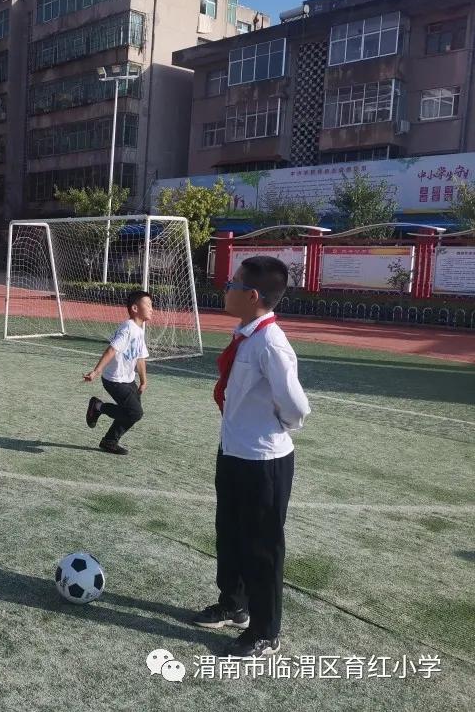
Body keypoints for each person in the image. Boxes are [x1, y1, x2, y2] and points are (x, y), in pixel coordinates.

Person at [191, 256, 311, 659]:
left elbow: (296, 406)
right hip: (233, 452)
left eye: (233, 284)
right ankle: (234, 604)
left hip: (264, 461)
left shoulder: (271, 343)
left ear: (253, 296)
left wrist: (274, 427)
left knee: (262, 547)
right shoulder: (246, 334)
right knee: (230, 533)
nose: (226, 289)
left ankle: (265, 631)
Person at [83, 290, 152, 455]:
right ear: (135, 308)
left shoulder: (139, 330)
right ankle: (98, 406)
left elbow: (140, 358)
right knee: (135, 412)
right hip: (114, 380)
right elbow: (112, 350)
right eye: (148, 305)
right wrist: (96, 371)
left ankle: (109, 441)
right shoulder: (128, 328)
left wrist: (143, 381)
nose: (151, 309)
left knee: (131, 413)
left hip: (127, 380)